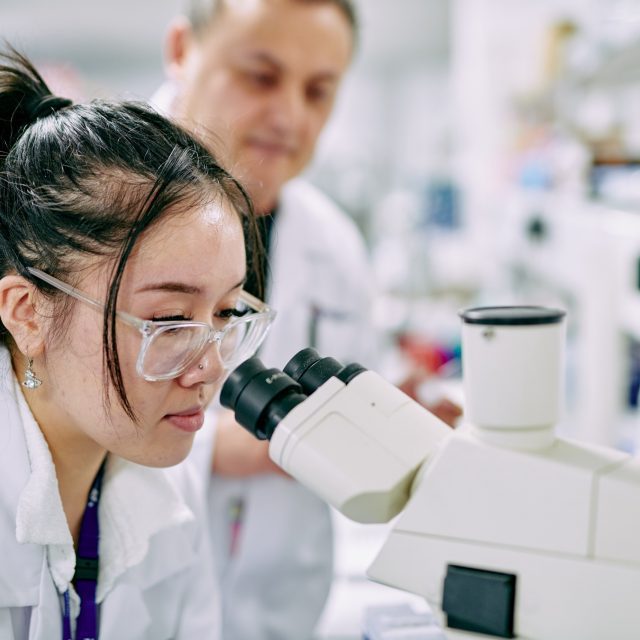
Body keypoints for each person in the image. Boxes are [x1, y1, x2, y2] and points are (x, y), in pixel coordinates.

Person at [158, 2, 460, 638]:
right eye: (260, 77)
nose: (291, 117)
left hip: (284, 611)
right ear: (183, 49)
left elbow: (360, 379)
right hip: (139, 599)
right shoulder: (96, 219)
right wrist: (232, 448)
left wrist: (403, 404)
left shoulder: (334, 244)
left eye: (319, 91)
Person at [0, 48, 274, 640]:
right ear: (28, 314)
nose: (209, 367)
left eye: (227, 311)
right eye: (171, 320)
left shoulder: (169, 490)